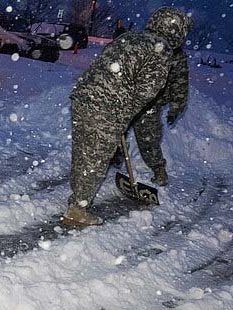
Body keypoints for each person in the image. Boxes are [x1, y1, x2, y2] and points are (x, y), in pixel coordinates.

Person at [63, 7, 193, 227]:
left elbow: (103, 65)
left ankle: (77, 198)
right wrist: (123, 117)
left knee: (84, 150)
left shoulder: (131, 37)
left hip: (83, 96)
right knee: (96, 158)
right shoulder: (161, 50)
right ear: (177, 31)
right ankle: (78, 208)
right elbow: (145, 93)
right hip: (107, 107)